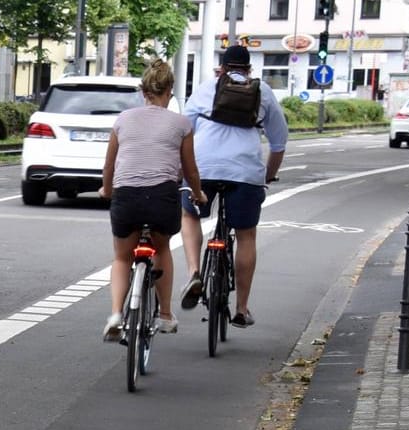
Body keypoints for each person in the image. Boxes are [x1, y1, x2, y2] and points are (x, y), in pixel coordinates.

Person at [178, 44, 289, 328]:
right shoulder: (263, 91)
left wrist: (183, 171)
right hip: (246, 171)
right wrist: (266, 177)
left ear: (223, 68)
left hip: (204, 167)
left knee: (190, 215)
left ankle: (194, 272)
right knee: (246, 235)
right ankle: (241, 307)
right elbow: (278, 144)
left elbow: (182, 131)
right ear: (249, 69)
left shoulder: (206, 88)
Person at [99, 59, 201, 342]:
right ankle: (165, 315)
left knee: (122, 257)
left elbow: (109, 166)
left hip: (126, 196)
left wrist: (106, 190)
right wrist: (198, 192)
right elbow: (190, 169)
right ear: (169, 91)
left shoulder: (123, 120)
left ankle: (117, 314)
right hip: (161, 196)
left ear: (144, 92)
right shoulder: (182, 124)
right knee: (161, 248)